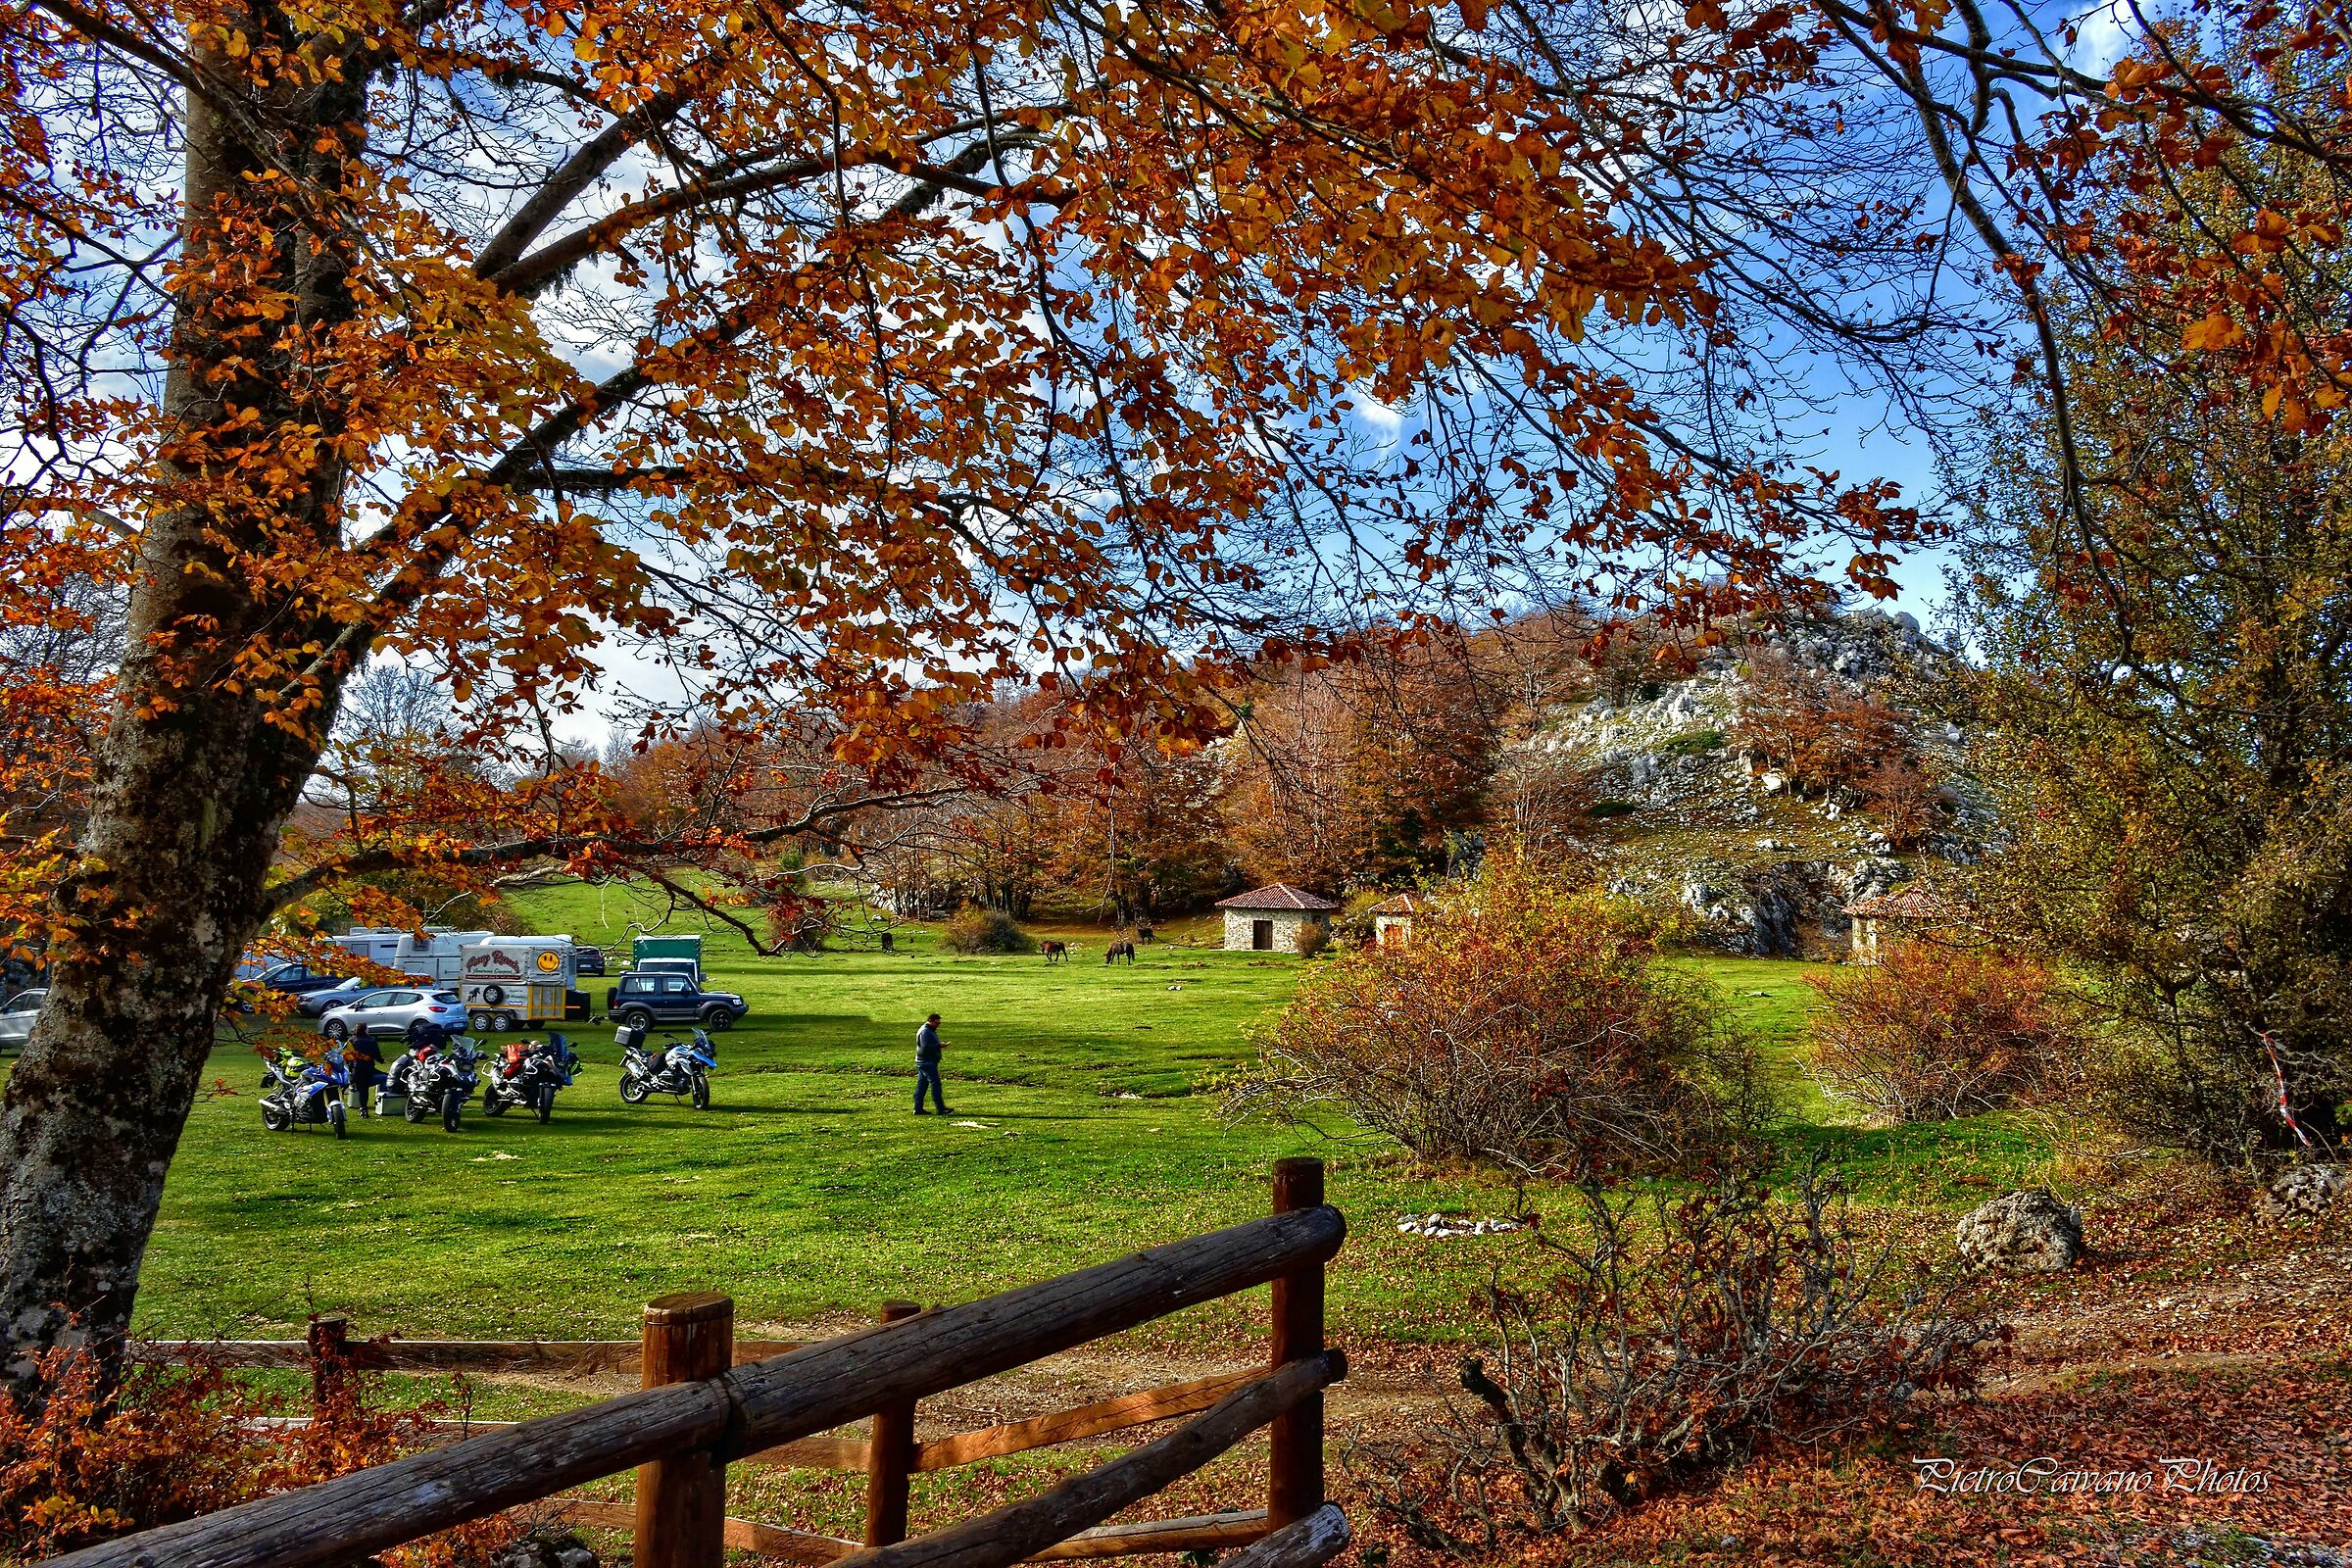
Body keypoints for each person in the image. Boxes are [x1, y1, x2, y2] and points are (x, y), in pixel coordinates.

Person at [343, 1026, 386, 1117]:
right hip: (368, 1071)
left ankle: (363, 1109)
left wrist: (350, 1067)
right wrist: (381, 1061)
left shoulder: (351, 1040)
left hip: (356, 1072)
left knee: (363, 1089)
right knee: (387, 1078)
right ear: (365, 1030)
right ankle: (380, 1101)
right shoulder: (371, 1040)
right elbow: (377, 1055)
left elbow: (346, 1055)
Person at [913, 1013, 950, 1115]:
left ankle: (918, 1108)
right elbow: (925, 1047)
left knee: (922, 1086)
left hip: (924, 1061)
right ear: (931, 1020)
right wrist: (939, 1045)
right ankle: (940, 1108)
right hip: (927, 1062)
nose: (938, 1025)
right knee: (935, 1084)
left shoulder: (928, 1030)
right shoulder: (925, 1031)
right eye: (937, 1023)